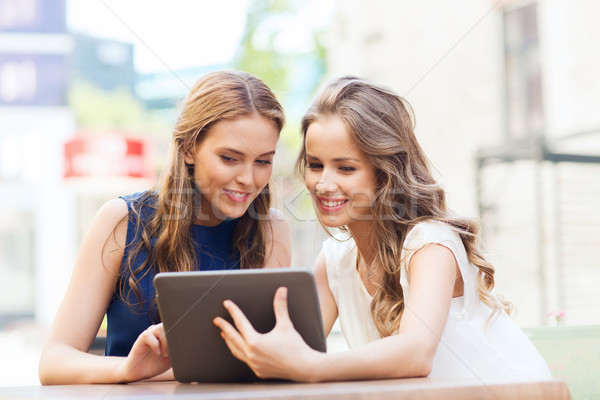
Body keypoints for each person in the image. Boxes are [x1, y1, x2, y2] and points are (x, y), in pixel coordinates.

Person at [214, 76, 552, 382]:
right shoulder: (334, 261)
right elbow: (282, 349)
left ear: (384, 173)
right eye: (316, 165)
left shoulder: (430, 245)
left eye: (345, 168)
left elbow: (416, 354)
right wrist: (164, 360)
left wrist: (311, 367)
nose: (324, 184)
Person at [38, 70, 291, 385]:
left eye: (263, 161)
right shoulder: (121, 221)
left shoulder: (271, 229)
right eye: (229, 158)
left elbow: (273, 361)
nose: (248, 179)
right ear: (188, 149)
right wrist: (127, 369)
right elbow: (54, 362)